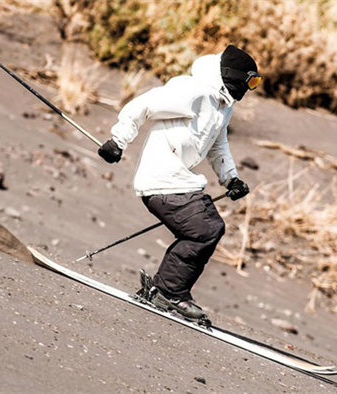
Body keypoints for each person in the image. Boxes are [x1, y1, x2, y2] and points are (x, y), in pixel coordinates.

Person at [97, 45, 261, 321]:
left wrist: (231, 177)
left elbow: (218, 145)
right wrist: (118, 141)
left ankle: (166, 290)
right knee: (204, 229)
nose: (250, 88)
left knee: (210, 228)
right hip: (160, 179)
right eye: (250, 81)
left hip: (180, 181)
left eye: (255, 82)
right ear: (231, 75)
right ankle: (169, 292)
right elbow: (143, 105)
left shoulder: (223, 105)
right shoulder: (192, 91)